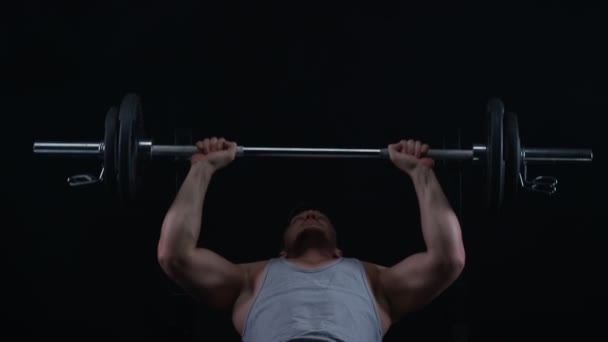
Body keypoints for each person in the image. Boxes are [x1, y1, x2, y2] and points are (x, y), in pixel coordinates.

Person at [157, 137, 466, 342]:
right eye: (298, 218)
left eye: (320, 216)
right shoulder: (251, 278)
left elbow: (447, 259)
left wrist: (420, 173)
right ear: (281, 250)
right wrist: (202, 168)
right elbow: (175, 254)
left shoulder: (374, 280)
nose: (310, 215)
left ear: (339, 250)